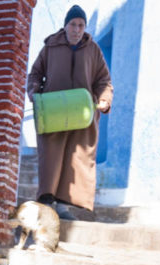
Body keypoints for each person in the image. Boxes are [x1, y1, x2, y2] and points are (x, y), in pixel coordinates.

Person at [26, 4, 113, 219]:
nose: (76, 29)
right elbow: (35, 74)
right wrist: (35, 92)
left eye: (80, 25)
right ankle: (46, 200)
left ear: (84, 27)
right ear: (65, 26)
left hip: (82, 113)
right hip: (54, 110)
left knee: (76, 158)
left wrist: (104, 99)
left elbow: (104, 80)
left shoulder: (93, 50)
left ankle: (63, 206)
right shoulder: (50, 47)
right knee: (51, 154)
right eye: (72, 24)